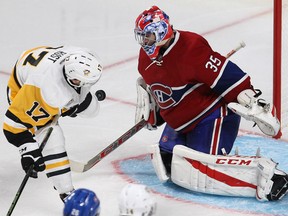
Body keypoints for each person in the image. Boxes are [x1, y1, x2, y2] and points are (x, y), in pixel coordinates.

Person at [133, 5, 288, 201]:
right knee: (167, 161)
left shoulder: (191, 47)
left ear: (161, 32)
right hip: (182, 121)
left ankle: (269, 178)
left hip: (211, 115)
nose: (144, 41)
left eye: (147, 36)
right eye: (142, 36)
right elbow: (159, 90)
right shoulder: (145, 58)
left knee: (197, 169)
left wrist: (253, 104)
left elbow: (227, 76)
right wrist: (155, 112)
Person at [3, 45, 103, 201]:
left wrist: (69, 106)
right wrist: (28, 149)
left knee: (92, 109)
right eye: (80, 81)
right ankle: (66, 192)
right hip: (24, 86)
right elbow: (12, 126)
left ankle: (68, 106)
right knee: (52, 136)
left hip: (41, 62)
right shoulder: (46, 90)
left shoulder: (81, 56)